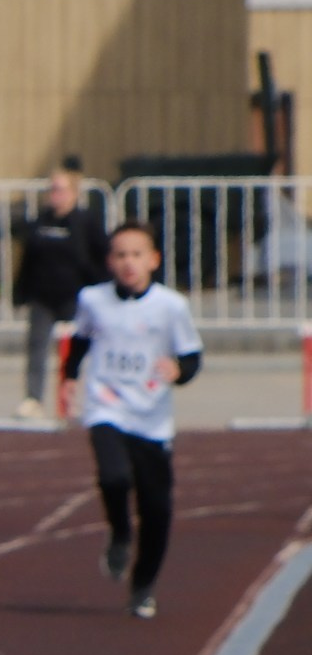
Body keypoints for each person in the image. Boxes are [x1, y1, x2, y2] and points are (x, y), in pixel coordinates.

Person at [61, 221, 200, 621]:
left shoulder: (171, 307)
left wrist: (179, 370)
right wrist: (70, 377)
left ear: (153, 260)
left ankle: (142, 586)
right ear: (109, 261)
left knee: (157, 511)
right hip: (107, 405)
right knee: (114, 476)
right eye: (120, 255)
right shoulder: (93, 300)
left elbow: (192, 356)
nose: (128, 262)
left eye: (136, 254)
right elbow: (81, 340)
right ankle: (120, 533)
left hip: (152, 417)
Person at [11, 167, 107, 419]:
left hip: (75, 298)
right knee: (37, 347)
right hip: (43, 297)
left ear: (74, 193)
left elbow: (102, 258)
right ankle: (33, 399)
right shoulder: (41, 222)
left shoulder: (86, 222)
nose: (55, 195)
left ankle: (80, 399)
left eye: (61, 189)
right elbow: (28, 260)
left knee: (80, 348)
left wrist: (100, 289)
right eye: (52, 189)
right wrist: (20, 292)